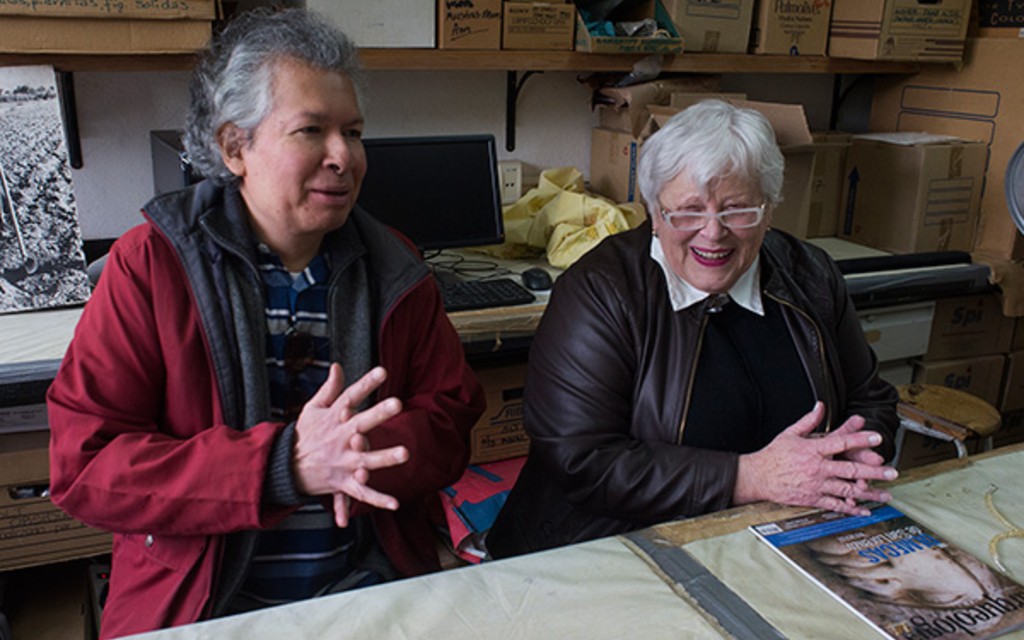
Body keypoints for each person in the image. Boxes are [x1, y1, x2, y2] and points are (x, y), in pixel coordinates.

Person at [46, 8, 485, 638]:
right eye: (311, 130)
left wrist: (355, 453)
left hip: (368, 591)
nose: (344, 156)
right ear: (235, 148)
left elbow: (451, 421)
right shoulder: (151, 265)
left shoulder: (395, 265)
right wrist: (287, 466)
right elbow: (87, 468)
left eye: (353, 132)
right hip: (206, 607)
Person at [487, 99, 899, 558]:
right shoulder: (601, 292)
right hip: (609, 550)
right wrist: (748, 477)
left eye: (737, 209)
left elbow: (871, 398)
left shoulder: (811, 274)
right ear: (654, 212)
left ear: (768, 210)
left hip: (775, 537)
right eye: (688, 210)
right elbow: (582, 460)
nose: (712, 233)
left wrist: (857, 451)